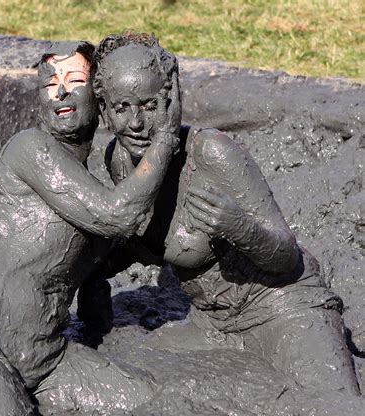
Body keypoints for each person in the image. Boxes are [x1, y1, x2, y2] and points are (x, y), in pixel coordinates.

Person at [0, 40, 181, 416]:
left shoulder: (91, 182)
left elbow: (90, 271)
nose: (60, 91)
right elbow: (119, 217)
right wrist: (166, 139)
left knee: (151, 402)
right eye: (50, 84)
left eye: (75, 80)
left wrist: (99, 330)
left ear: (97, 98)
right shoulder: (29, 150)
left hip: (46, 356)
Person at [90, 33, 359, 396]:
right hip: (212, 323)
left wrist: (237, 225)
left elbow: (286, 256)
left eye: (149, 105)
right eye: (122, 107)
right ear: (105, 111)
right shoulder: (119, 161)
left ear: (171, 101)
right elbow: (147, 241)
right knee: (139, 381)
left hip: (282, 306)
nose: (136, 123)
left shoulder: (210, 153)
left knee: (334, 406)